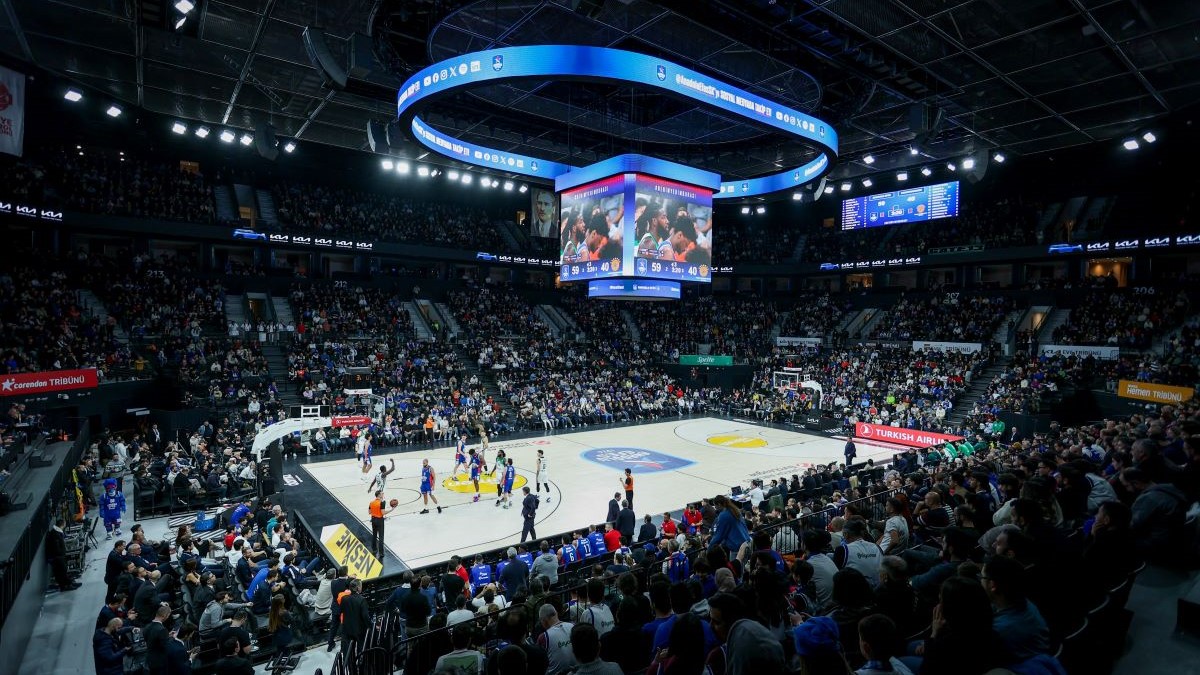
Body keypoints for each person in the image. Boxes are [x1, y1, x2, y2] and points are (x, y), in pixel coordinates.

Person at [537, 604, 577, 675]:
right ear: (556, 613)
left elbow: (539, 661)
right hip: (577, 671)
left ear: (543, 621)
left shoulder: (544, 637)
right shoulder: (573, 626)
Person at [338, 579, 371, 661]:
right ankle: (361, 662)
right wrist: (371, 626)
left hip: (347, 629)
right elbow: (365, 616)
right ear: (358, 588)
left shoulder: (344, 599)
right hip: (359, 629)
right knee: (361, 649)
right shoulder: (362, 600)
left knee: (348, 651)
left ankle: (349, 664)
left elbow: (341, 611)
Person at [45, 518, 80, 591]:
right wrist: (61, 554)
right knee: (61, 572)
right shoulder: (55, 534)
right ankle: (66, 585)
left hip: (58, 556)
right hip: (57, 557)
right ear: (63, 524)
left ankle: (68, 584)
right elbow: (56, 547)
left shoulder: (56, 532)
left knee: (62, 571)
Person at [143, 605, 171, 675]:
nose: (168, 617)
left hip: (149, 659)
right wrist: (171, 638)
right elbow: (166, 647)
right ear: (164, 616)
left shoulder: (147, 626)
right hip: (160, 662)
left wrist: (167, 635)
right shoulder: (162, 630)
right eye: (168, 616)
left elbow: (153, 638)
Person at [368, 490, 395, 556]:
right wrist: (391, 510)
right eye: (382, 494)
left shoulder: (371, 502)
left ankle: (374, 549)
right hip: (379, 520)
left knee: (374, 535)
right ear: (379, 495)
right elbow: (383, 513)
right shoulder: (382, 503)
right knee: (381, 537)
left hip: (373, 519)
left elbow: (369, 512)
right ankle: (381, 553)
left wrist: (375, 512)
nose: (383, 495)